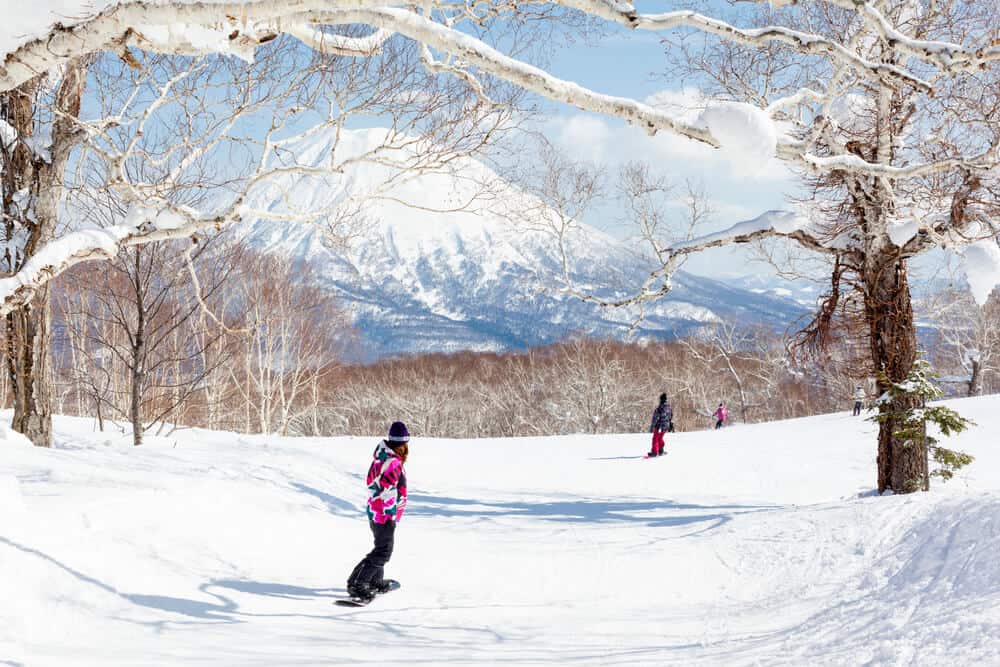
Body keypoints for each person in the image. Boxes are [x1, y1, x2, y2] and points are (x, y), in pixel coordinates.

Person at [346, 421, 409, 601]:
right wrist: (390, 514)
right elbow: (388, 490)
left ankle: (374, 580)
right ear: (404, 444)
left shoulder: (381, 457)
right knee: (383, 552)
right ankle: (358, 584)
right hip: (383, 513)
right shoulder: (393, 462)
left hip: (375, 510)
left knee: (380, 548)